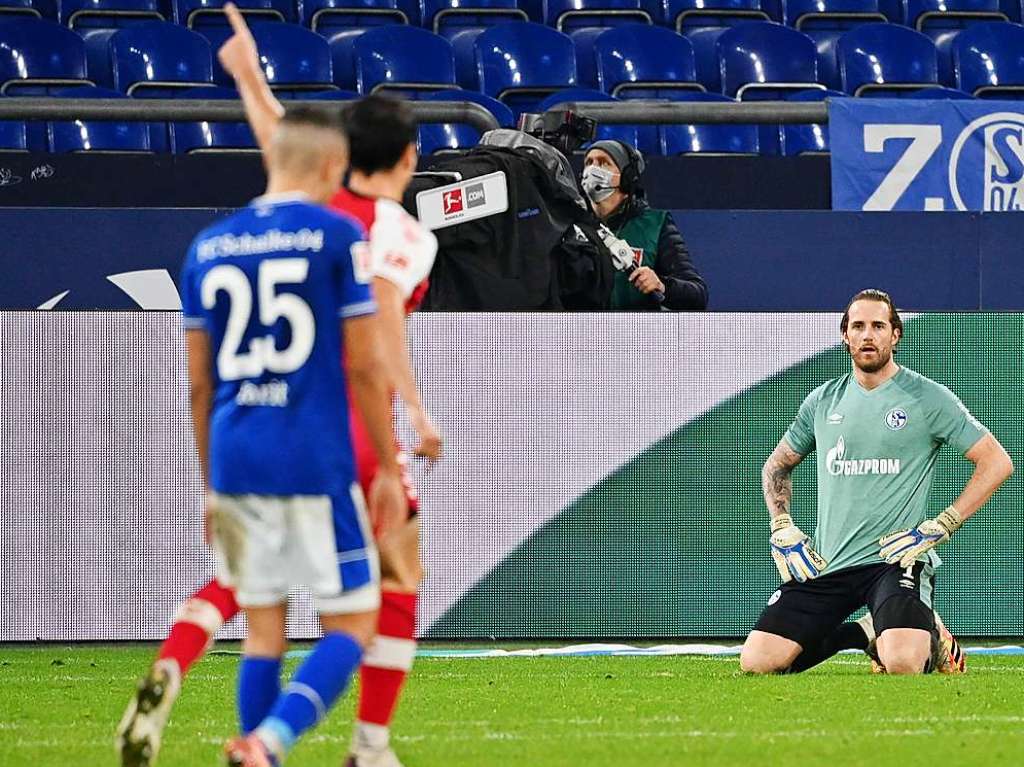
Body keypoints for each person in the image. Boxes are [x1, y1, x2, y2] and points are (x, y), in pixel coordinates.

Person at [116, 8, 440, 767]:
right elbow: (379, 331)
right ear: (409, 154)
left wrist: (246, 74)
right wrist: (415, 419)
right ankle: (360, 742)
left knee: (256, 610)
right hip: (339, 429)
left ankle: (197, 671)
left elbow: (279, 146)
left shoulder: (250, 226)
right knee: (385, 590)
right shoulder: (385, 230)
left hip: (239, 435)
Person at [186, 104, 404, 767]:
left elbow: (199, 385)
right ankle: (269, 740)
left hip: (235, 453)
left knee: (262, 630)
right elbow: (366, 364)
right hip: (309, 454)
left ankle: (260, 754)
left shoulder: (209, 245)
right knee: (355, 623)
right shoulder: (336, 236)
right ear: (334, 166)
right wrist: (387, 468)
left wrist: (210, 483)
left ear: (270, 159)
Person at [740, 288, 1013, 675]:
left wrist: (944, 524)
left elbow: (996, 462)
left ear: (895, 335)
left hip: (895, 561)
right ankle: (863, 633)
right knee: (757, 664)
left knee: (902, 663)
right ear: (845, 336)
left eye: (878, 326)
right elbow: (776, 467)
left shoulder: (927, 398)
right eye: (858, 326)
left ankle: (930, 638)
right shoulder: (822, 402)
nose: (868, 335)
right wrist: (781, 525)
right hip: (827, 561)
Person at [580, 140, 707, 311]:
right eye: (589, 162)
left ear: (627, 177)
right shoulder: (570, 224)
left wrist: (662, 285)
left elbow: (697, 295)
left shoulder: (655, 224)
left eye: (604, 163)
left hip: (638, 333)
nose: (593, 170)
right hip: (583, 332)